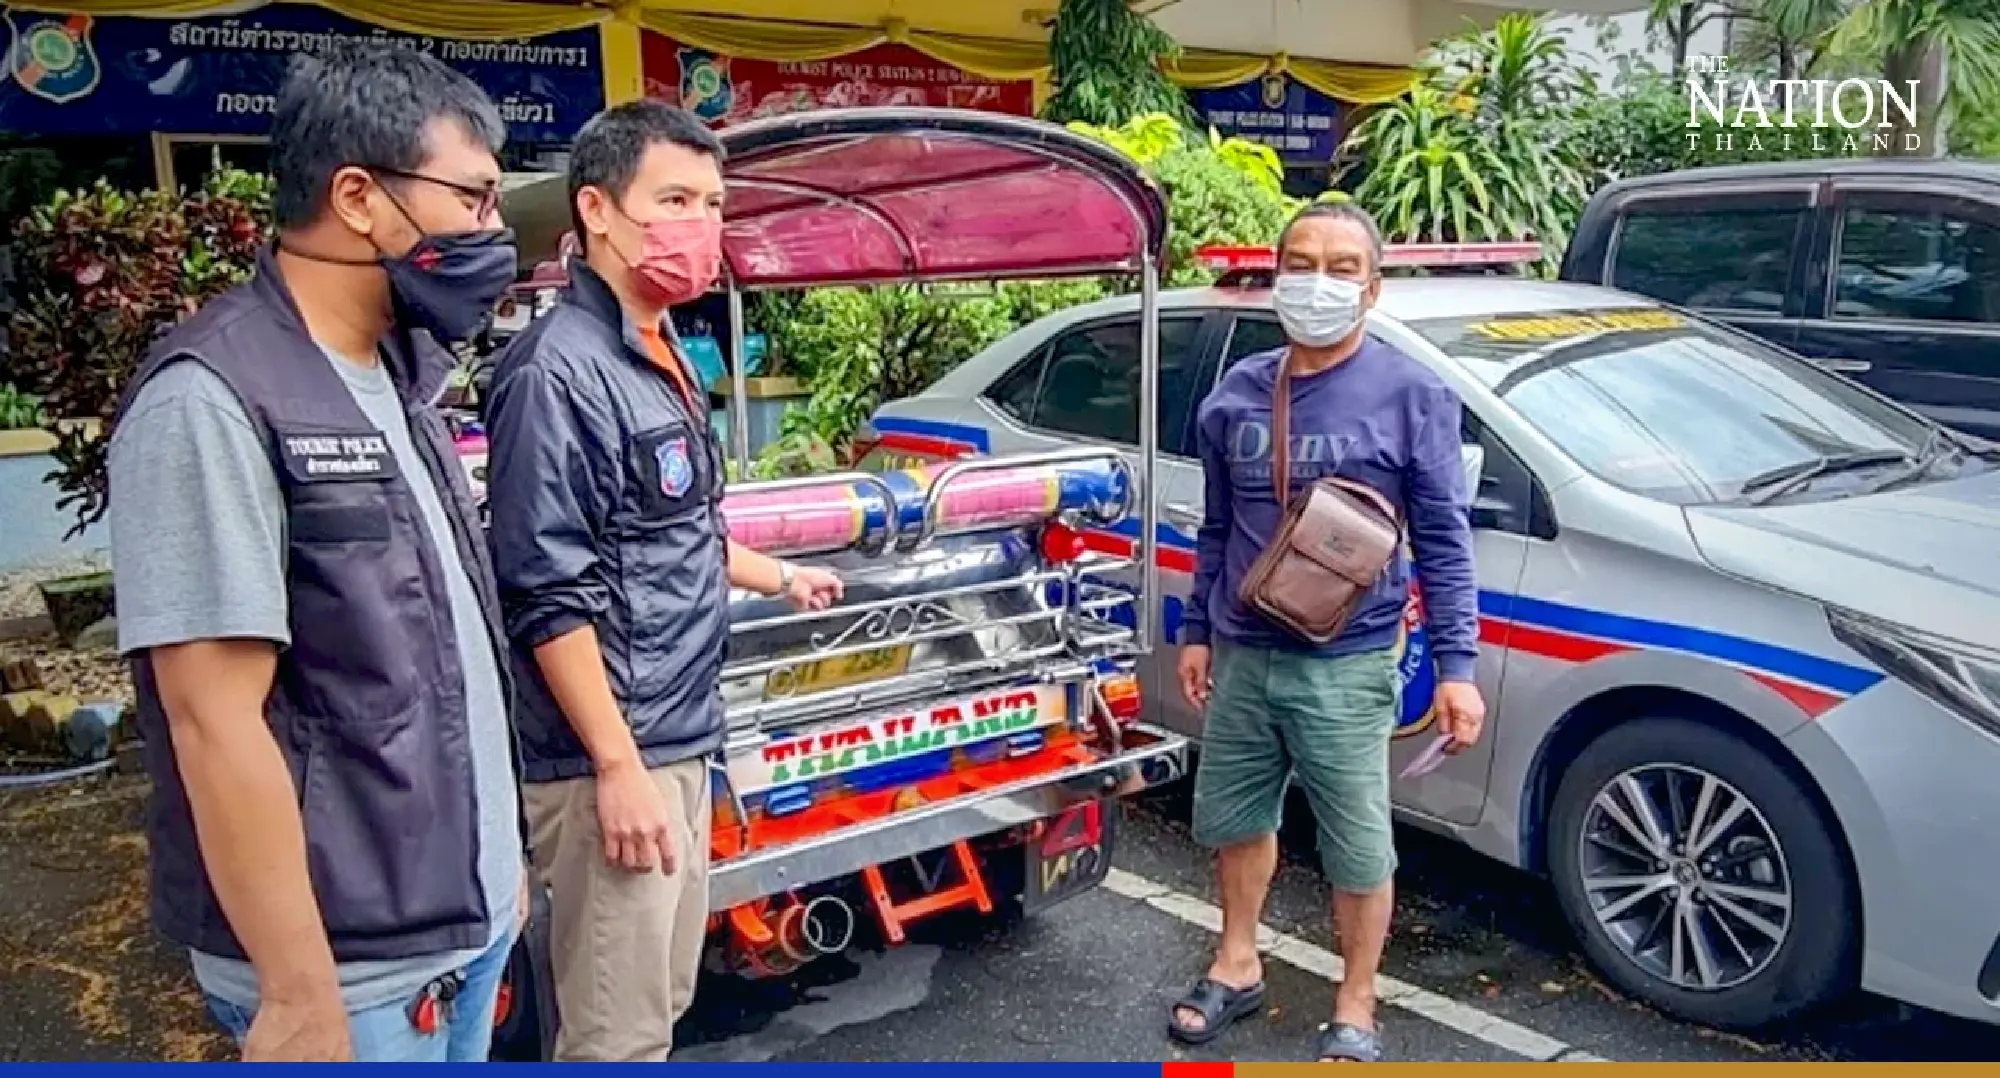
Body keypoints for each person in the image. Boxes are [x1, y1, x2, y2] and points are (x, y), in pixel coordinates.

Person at [106, 44, 526, 1063]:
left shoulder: (401, 375)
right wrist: (298, 996)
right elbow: (212, 721)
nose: (493, 230)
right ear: (357, 197)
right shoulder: (210, 400)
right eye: (471, 197)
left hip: (458, 924)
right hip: (349, 972)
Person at [483, 100, 843, 1063]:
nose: (701, 223)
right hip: (618, 754)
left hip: (678, 739)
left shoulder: (655, 353)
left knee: (661, 998)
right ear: (596, 210)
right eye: (674, 197)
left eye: (714, 202)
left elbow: (672, 526)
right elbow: (546, 590)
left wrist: (779, 575)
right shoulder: (555, 374)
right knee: (615, 1033)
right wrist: (617, 766)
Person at [1166, 202, 1486, 1063]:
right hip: (1242, 651)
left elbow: (1445, 538)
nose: (1318, 280)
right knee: (1238, 818)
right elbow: (1216, 528)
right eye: (1300, 262)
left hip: (1346, 664)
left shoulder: (1414, 395)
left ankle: (1355, 1000)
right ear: (1276, 278)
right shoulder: (1234, 396)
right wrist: (1197, 629)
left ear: (1371, 288)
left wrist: (1458, 665)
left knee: (1356, 840)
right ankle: (1237, 963)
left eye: (1342, 267)